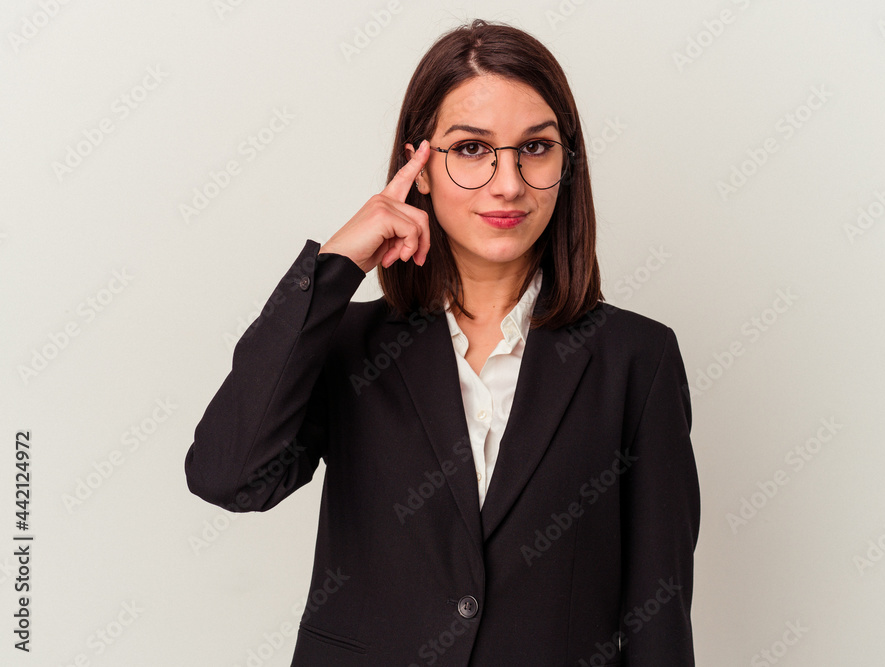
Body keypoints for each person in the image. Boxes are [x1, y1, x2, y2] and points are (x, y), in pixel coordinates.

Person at [184, 18, 699, 666]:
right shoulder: (347, 343)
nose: (508, 182)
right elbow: (226, 475)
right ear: (419, 167)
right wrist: (337, 266)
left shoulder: (637, 361)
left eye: (534, 148)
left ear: (566, 163)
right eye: (472, 149)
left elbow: (659, 619)